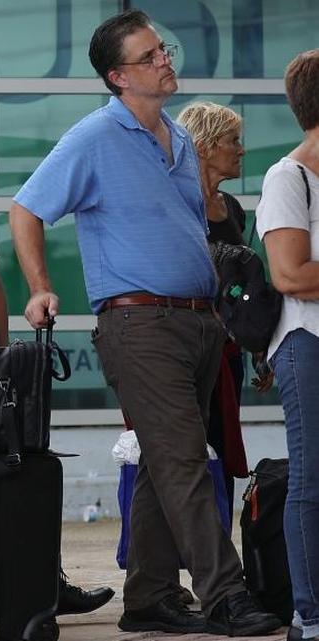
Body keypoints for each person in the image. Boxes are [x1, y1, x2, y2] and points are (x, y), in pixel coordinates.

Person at [8, 9, 280, 636]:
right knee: (185, 461)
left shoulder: (180, 141)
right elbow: (26, 209)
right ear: (118, 76)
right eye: (150, 56)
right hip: (140, 326)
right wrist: (41, 288)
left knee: (165, 465)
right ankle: (225, 596)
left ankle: (150, 598)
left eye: (164, 49)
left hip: (198, 322)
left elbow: (186, 229)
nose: (166, 60)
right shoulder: (93, 137)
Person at [176, 101, 271, 514]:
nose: (241, 149)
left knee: (225, 445)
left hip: (228, 353)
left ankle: (218, 556)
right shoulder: (176, 202)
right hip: (187, 345)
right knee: (188, 449)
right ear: (205, 145)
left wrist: (259, 348)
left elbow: (242, 286)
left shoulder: (230, 206)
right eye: (233, 140)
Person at [256, 47, 319, 641]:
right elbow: (291, 274)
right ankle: (310, 611)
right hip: (307, 342)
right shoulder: (288, 177)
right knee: (312, 477)